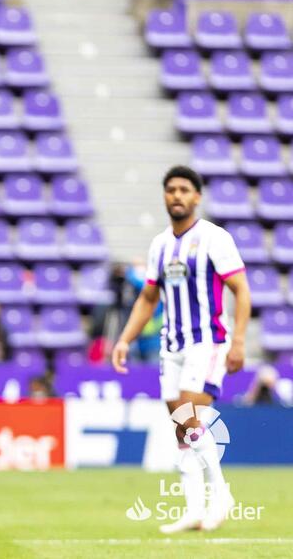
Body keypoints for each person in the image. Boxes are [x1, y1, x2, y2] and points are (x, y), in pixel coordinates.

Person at [112, 166, 251, 534]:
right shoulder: (160, 244)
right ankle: (193, 508)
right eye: (171, 189)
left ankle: (220, 495)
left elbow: (242, 289)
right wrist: (125, 339)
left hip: (206, 342)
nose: (176, 195)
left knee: (189, 416)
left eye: (184, 189)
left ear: (197, 197)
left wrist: (238, 341)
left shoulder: (214, 238)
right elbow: (147, 296)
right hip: (171, 346)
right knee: (180, 426)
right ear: (164, 195)